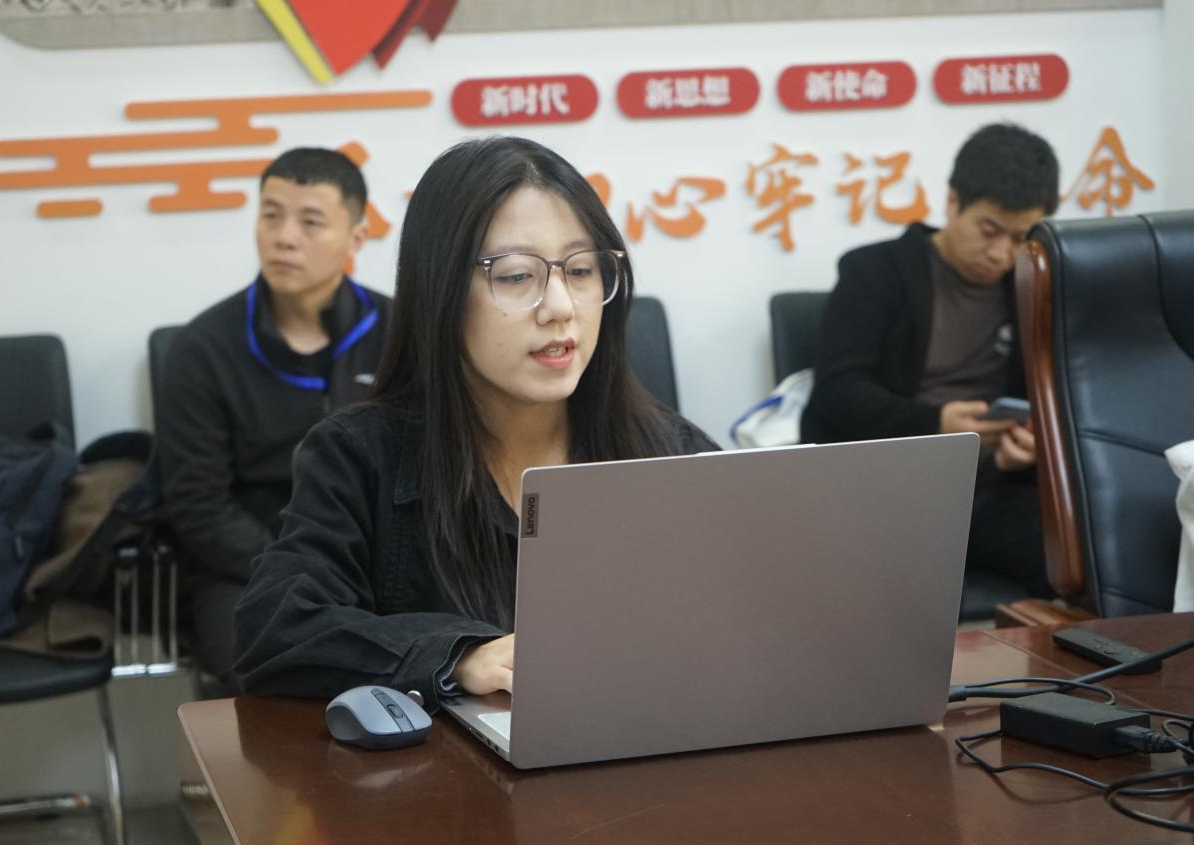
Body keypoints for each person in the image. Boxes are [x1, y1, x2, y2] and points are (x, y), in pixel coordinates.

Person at [232, 136, 718, 705]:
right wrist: (457, 656)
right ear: (439, 291)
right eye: (516, 276)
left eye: (581, 270)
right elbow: (276, 630)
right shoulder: (360, 456)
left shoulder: (670, 449)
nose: (561, 307)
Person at [157, 147, 391, 691]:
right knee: (277, 683)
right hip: (248, 568)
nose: (285, 238)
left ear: (356, 238)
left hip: (379, 558)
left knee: (436, 657)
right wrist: (297, 570)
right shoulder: (203, 348)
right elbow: (198, 504)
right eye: (271, 216)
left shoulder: (401, 333)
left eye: (311, 222)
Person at [800, 123, 1059, 598]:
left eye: (1020, 237)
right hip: (890, 491)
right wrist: (935, 423)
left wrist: (1031, 446)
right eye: (989, 230)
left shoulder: (1034, 286)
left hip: (991, 488)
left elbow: (1056, 397)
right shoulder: (874, 273)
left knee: (1081, 552)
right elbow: (836, 395)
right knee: (911, 587)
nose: (1001, 254)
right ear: (953, 202)